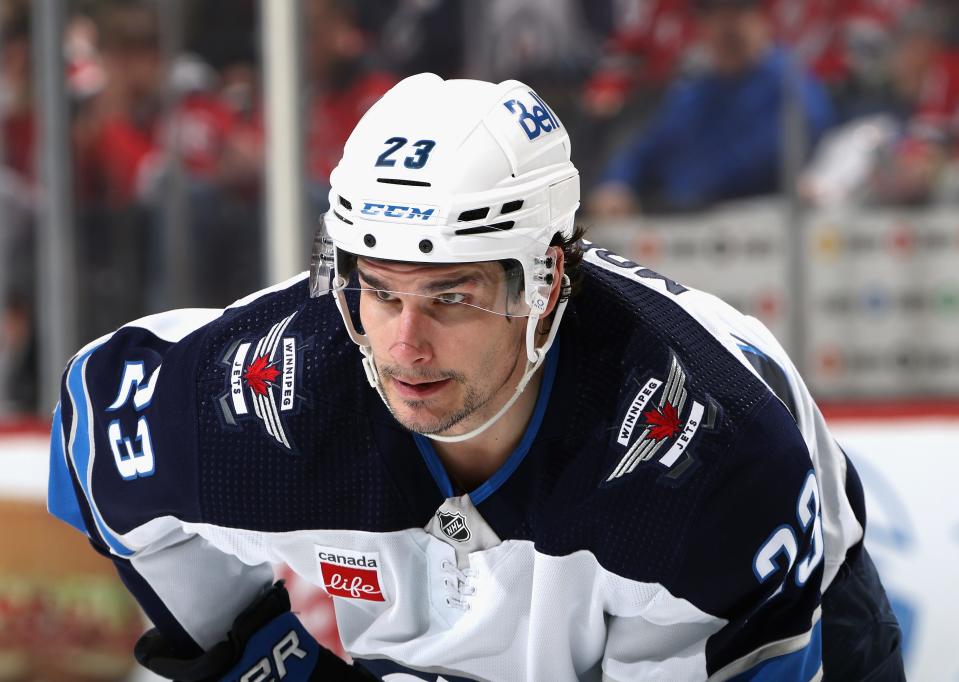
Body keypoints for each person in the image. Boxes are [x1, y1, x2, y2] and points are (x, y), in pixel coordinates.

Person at [48, 73, 903, 681]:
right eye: (376, 291)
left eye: (449, 297)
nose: (403, 345)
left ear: (545, 284)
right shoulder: (258, 398)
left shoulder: (706, 455)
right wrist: (250, 647)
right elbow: (91, 440)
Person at [588, 0, 835, 216]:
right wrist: (617, 183)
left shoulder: (789, 80)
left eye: (738, 12)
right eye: (715, 15)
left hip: (761, 224)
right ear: (701, 26)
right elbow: (647, 149)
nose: (727, 26)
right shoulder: (694, 91)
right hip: (689, 224)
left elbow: (783, 148)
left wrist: (692, 181)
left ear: (761, 19)